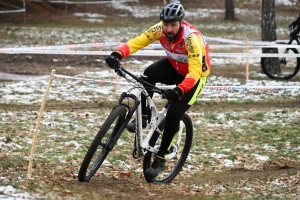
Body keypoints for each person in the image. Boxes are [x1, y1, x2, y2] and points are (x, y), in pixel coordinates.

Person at [105, 2, 211, 177]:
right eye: (166, 24)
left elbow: (195, 71)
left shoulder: (191, 39)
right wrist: (118, 54)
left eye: (173, 25)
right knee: (148, 74)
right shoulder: (159, 30)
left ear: (181, 23)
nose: (168, 29)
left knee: (174, 114)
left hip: (195, 77)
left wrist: (179, 90)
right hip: (174, 67)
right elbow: (137, 42)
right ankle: (145, 117)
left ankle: (161, 157)